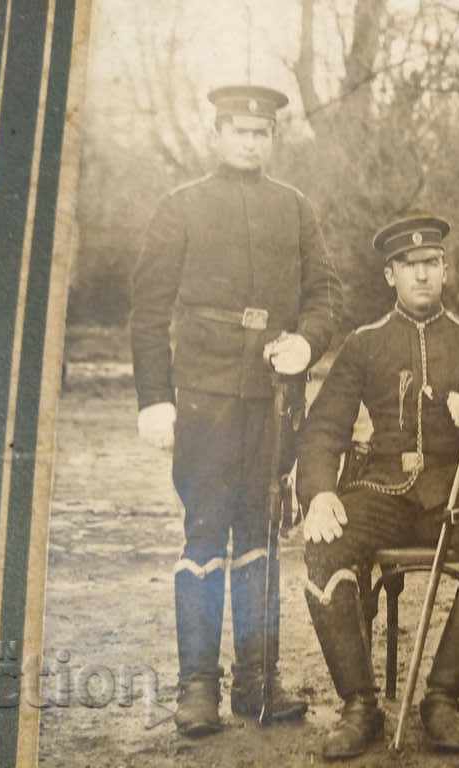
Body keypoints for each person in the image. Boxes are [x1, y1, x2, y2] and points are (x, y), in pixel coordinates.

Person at [129, 84, 342, 736]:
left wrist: (306, 338)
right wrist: (156, 400)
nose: (251, 142)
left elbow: (327, 292)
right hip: (202, 394)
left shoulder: (295, 208)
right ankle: (198, 683)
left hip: (271, 398)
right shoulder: (181, 207)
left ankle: (258, 676)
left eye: (261, 133)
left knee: (259, 533)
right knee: (205, 531)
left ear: (272, 139)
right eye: (239, 131)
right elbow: (147, 311)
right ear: (217, 134)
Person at [297, 215, 459, 758]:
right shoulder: (365, 345)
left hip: (455, 494)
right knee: (323, 543)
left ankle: (442, 699)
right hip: (379, 492)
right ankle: (359, 706)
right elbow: (323, 428)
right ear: (391, 275)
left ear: (446, 270)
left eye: (432, 263)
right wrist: (318, 492)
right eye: (410, 266)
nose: (423, 275)